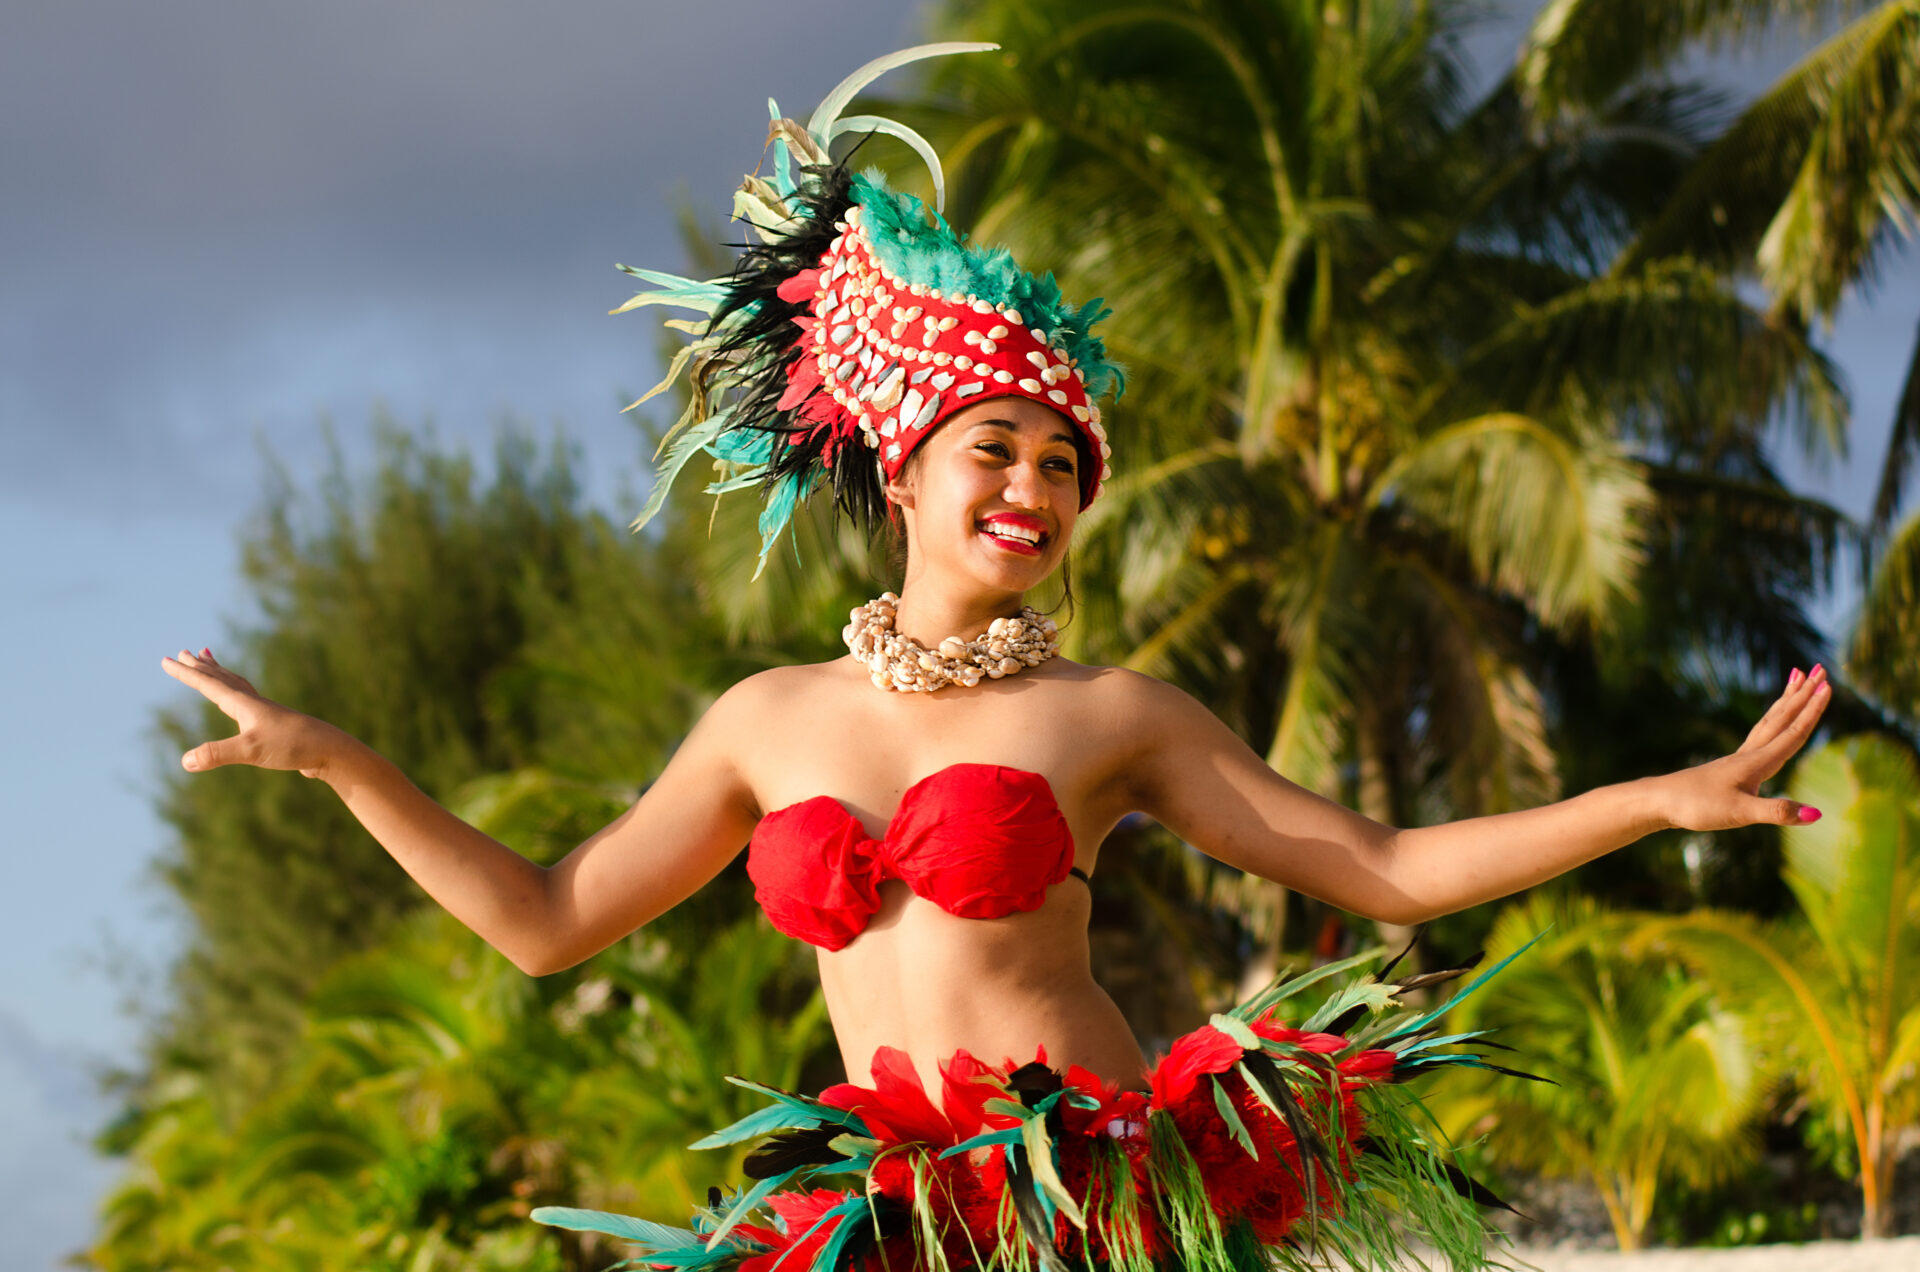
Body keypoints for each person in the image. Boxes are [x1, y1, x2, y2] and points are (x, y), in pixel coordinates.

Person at [159, 42, 1831, 1272]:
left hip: (1092, 1209)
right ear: (904, 470)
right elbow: (542, 925)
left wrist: (1653, 799)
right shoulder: (768, 720)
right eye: (997, 452)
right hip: (881, 1226)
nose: (1033, 490)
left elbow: (1385, 868)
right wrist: (336, 761)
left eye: (1062, 465)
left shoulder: (1111, 716)